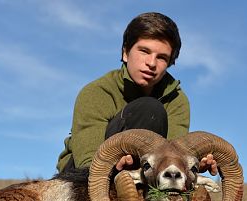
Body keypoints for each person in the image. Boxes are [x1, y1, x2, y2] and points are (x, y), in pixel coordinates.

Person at [57, 12, 217, 175]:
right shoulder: (97, 92)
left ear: (170, 63)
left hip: (147, 172)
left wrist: (191, 164)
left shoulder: (177, 100)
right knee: (149, 109)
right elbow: (87, 160)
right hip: (82, 174)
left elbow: (172, 155)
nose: (151, 63)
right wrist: (114, 169)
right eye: (144, 51)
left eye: (161, 57)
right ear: (125, 53)